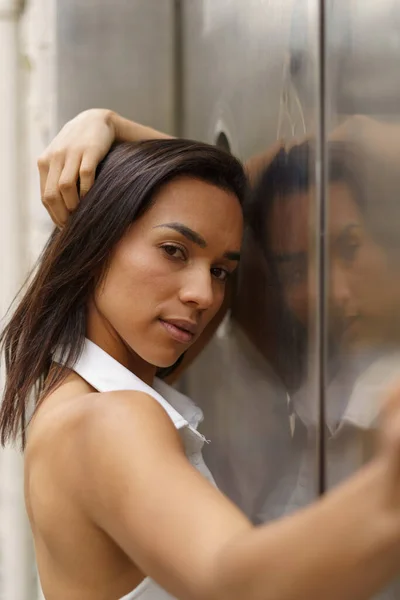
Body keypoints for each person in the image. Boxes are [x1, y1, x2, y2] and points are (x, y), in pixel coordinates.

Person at [5, 112, 400, 600]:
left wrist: (113, 126)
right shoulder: (108, 419)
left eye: (219, 271)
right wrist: (389, 491)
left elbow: (236, 210)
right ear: (95, 240)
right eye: (173, 250)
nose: (204, 296)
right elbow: (234, 581)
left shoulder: (73, 392)